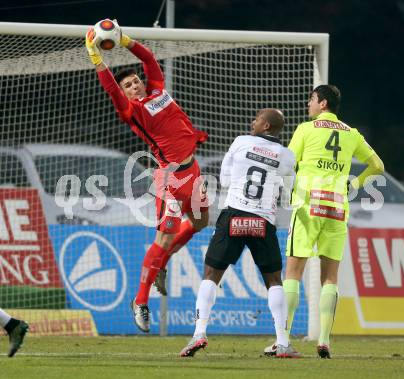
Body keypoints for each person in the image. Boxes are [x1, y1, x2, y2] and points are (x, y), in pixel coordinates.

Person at [85, 22, 209, 333]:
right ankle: (140, 300)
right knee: (164, 236)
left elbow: (150, 59)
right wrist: (96, 58)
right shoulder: (131, 110)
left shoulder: (157, 91)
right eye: (129, 85)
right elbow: (112, 90)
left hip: (192, 171)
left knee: (201, 222)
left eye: (136, 81)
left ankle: (162, 263)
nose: (135, 86)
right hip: (169, 179)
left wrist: (125, 40)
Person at [264, 85, 384, 358]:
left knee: (293, 274)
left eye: (312, 99)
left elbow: (288, 163)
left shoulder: (306, 129)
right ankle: (325, 340)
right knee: (330, 278)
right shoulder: (351, 134)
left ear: (323, 103)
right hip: (337, 208)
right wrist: (355, 183)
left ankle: (283, 339)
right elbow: (377, 165)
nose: (309, 104)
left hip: (308, 206)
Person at [180, 108, 299, 358]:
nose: (252, 121)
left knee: (211, 274)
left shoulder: (241, 142)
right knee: (274, 280)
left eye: (257, 118)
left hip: (234, 214)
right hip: (263, 220)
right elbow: (288, 191)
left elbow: (224, 180)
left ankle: (199, 333)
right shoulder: (287, 156)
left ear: (265, 125)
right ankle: (283, 341)